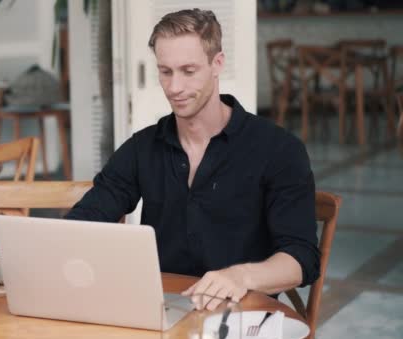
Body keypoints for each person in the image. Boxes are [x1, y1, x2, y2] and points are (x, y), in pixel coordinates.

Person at [65, 8, 319, 310]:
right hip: (163, 313)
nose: (174, 88)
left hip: (241, 317)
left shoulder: (278, 149)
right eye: (165, 71)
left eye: (188, 71)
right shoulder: (141, 148)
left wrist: (240, 276)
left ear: (217, 64)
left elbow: (301, 258)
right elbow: (84, 221)